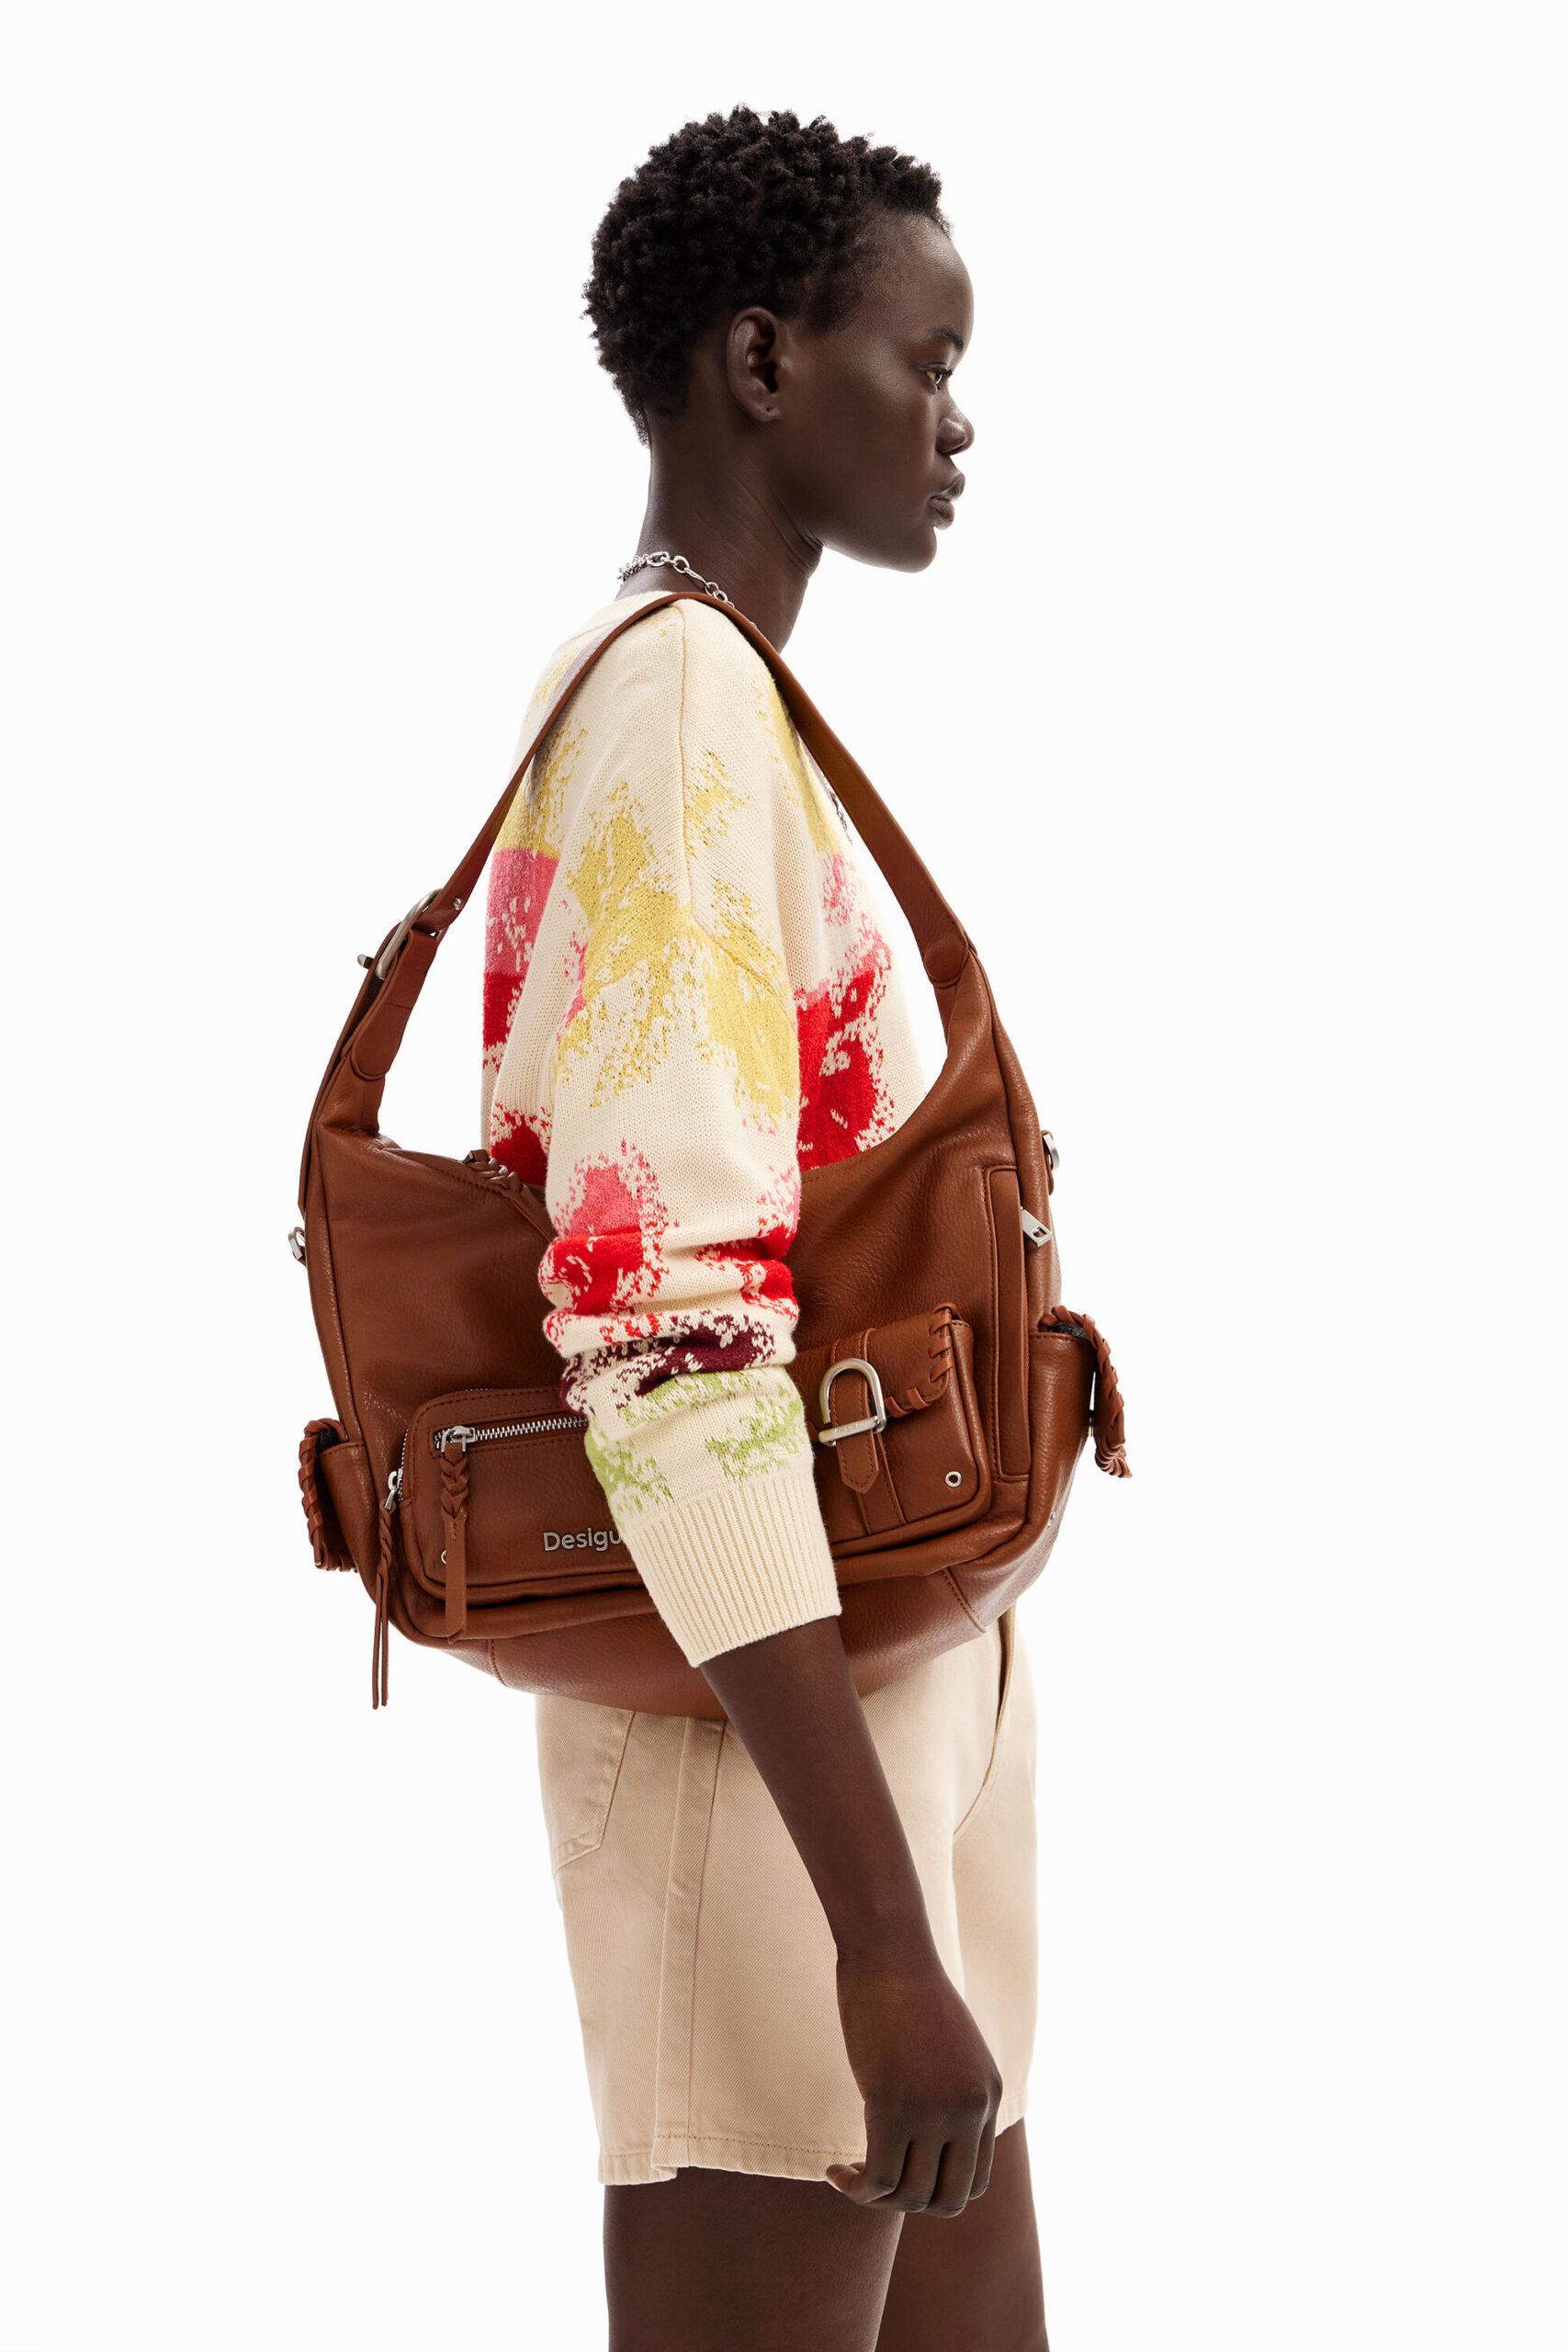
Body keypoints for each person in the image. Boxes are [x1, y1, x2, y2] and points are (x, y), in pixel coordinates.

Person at [482, 108, 1047, 2352]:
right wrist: (877, 1935)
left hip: (883, 1708)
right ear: (756, 360)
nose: (956, 419)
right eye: (926, 359)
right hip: (775, 1768)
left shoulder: (729, 699)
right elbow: (663, 1336)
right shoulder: (676, 708)